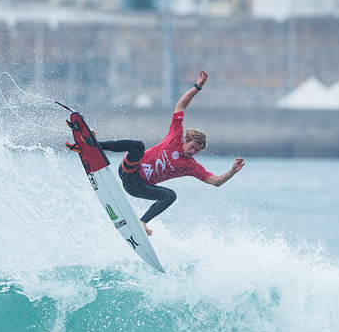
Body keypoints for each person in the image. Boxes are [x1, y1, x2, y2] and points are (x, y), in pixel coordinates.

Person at [97, 70, 244, 236]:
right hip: (129, 170)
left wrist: (232, 171)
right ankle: (96, 145)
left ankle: (142, 222)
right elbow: (180, 106)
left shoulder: (191, 166)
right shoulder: (175, 135)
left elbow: (216, 181)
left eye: (197, 150)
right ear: (186, 140)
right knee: (138, 146)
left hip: (138, 187)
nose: (193, 151)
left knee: (170, 195)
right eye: (192, 146)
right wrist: (198, 86)